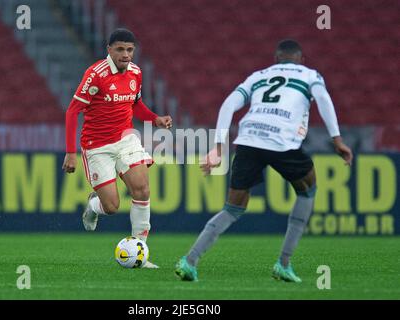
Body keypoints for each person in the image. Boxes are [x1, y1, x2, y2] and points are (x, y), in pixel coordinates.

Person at [175, 39, 353, 282]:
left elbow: (229, 104)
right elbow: (323, 99)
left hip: (249, 140)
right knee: (307, 191)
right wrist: (337, 139)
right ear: (301, 59)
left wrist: (218, 147)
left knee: (232, 208)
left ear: (276, 59)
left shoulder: (258, 76)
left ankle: (189, 261)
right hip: (282, 142)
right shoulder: (310, 75)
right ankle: (284, 263)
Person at [62, 28, 172, 268]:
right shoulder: (96, 74)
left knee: (142, 189)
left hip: (126, 139)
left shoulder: (136, 73)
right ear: (109, 50)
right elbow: (72, 111)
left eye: (130, 50)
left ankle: (141, 254)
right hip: (97, 146)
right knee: (111, 207)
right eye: (120, 49)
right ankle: (93, 205)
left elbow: (135, 104)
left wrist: (155, 119)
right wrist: (71, 152)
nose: (126, 54)